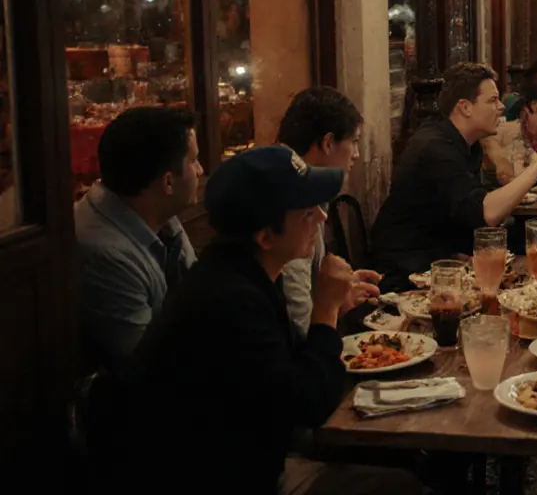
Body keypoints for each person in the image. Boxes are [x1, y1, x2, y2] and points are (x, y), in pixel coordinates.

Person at [109, 146, 418, 494]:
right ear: (266, 236)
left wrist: (333, 308)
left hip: (249, 461)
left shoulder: (243, 272)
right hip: (217, 478)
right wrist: (325, 311)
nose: (322, 217)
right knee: (401, 484)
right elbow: (310, 404)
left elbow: (284, 374)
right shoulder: (229, 300)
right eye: (308, 212)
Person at [372, 63, 537, 289]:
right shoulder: (435, 148)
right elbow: (485, 213)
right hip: (405, 270)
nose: (501, 107)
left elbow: (469, 210)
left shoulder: (466, 144)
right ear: (465, 107)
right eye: (492, 100)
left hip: (440, 255)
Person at [76, 107, 203, 372]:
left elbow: (200, 293)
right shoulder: (107, 257)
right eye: (193, 161)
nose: (200, 170)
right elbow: (150, 367)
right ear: (168, 182)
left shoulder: (157, 211)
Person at [276, 87, 382, 337]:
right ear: (327, 143)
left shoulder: (309, 189)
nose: (357, 154)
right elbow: (300, 330)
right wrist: (328, 305)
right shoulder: (291, 199)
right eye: (354, 141)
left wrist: (337, 295)